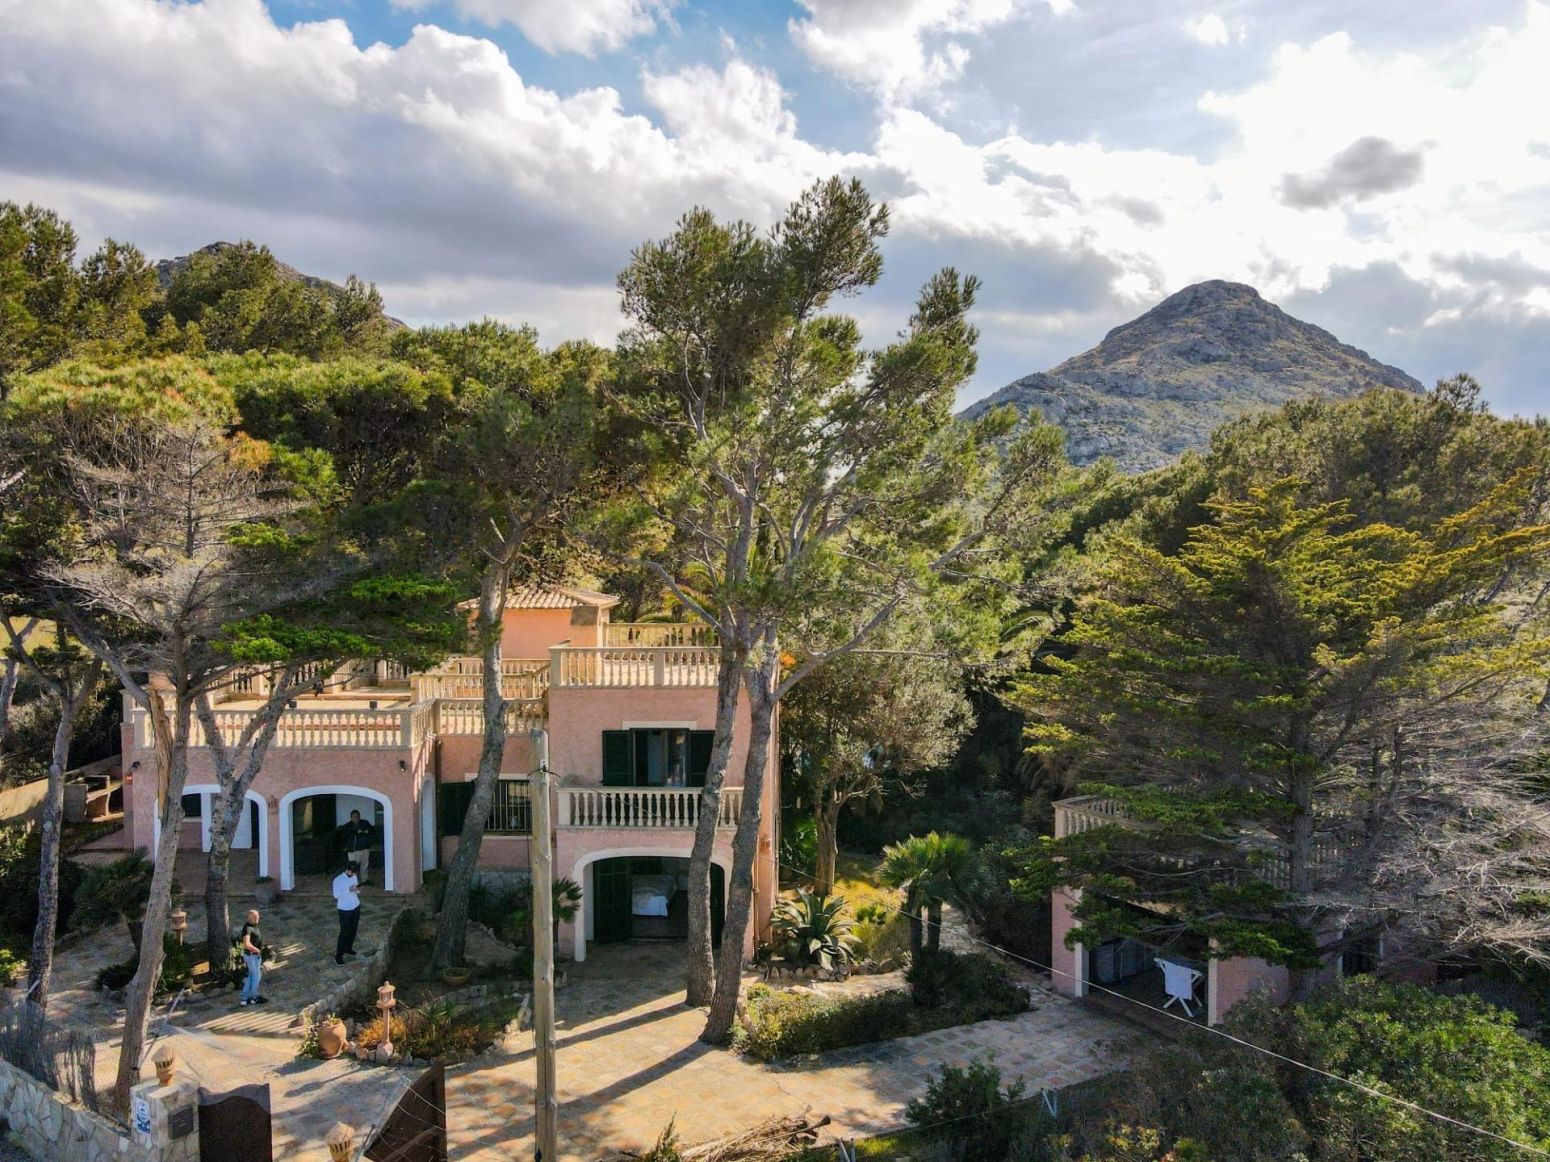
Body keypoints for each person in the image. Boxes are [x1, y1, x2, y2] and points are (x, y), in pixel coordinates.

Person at [333, 861, 361, 966]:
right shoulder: (338, 880)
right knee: (344, 932)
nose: (354, 874)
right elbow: (336, 895)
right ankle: (338, 955)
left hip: (355, 906)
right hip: (344, 909)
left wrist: (357, 890)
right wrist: (348, 889)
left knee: (353, 929)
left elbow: (356, 891)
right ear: (347, 870)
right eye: (352, 872)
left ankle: (348, 948)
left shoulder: (354, 877)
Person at [336, 809, 375, 886]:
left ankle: (365, 880)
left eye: (357, 816)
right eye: (354, 817)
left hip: (365, 849)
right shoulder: (348, 826)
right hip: (353, 851)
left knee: (365, 865)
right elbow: (345, 835)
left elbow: (372, 831)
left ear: (359, 816)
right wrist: (357, 832)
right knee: (353, 867)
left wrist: (367, 832)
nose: (356, 818)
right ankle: (353, 882)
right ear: (351, 817)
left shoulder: (365, 823)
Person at [238, 908, 267, 1006]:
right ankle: (255, 997)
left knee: (250, 977)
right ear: (250, 918)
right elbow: (246, 943)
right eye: (255, 917)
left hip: (252, 956)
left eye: (257, 916)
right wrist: (256, 950)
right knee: (256, 977)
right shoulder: (248, 928)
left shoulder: (253, 926)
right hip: (252, 956)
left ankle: (244, 999)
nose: (257, 918)